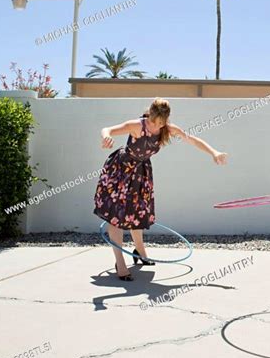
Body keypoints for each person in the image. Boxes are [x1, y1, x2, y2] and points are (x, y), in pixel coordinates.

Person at [94, 98, 228, 280]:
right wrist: (106, 137)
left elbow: (192, 140)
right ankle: (120, 262)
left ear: (165, 120)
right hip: (121, 170)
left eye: (160, 124)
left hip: (141, 172)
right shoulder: (136, 125)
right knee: (116, 216)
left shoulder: (168, 129)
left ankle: (140, 252)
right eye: (153, 123)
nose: (156, 127)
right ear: (149, 115)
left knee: (137, 213)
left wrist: (214, 152)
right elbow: (107, 129)